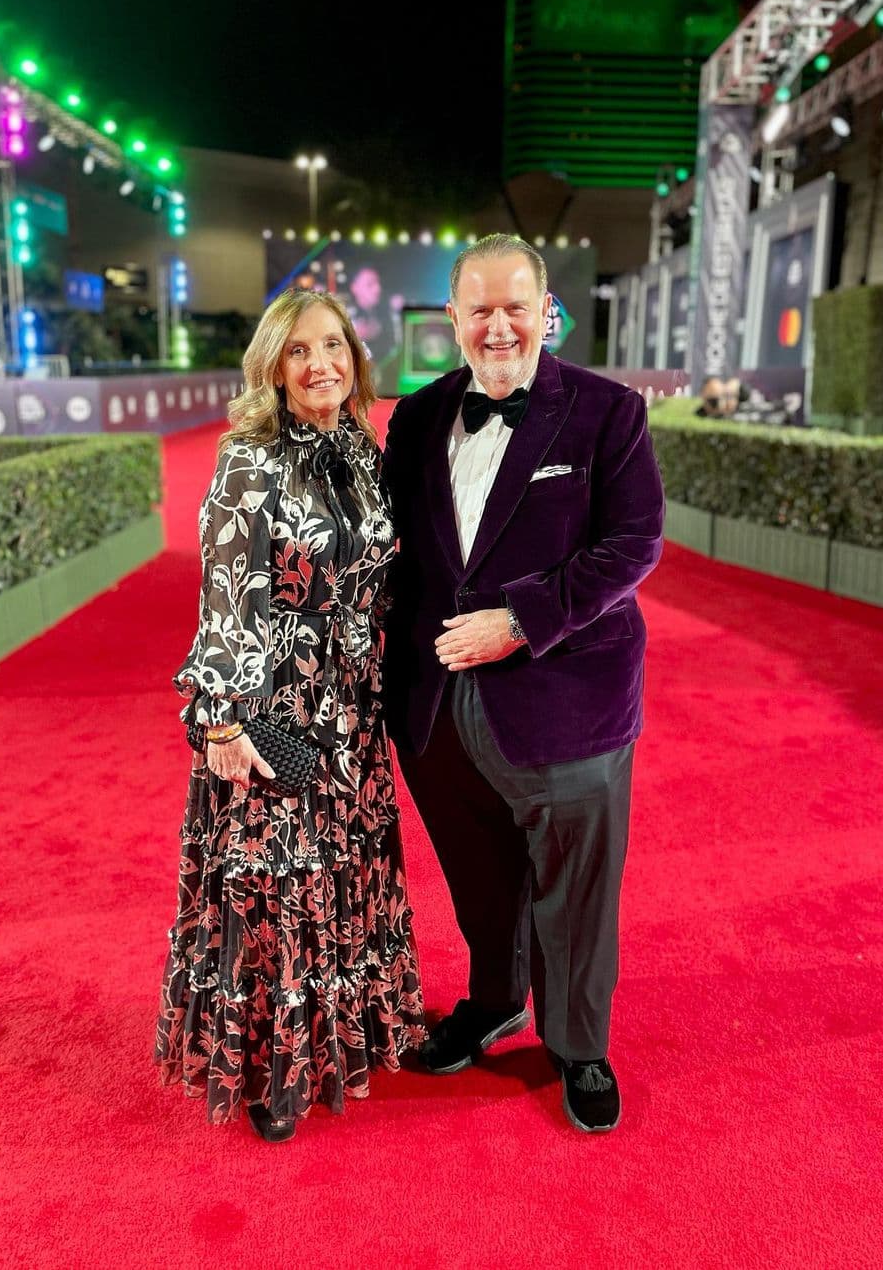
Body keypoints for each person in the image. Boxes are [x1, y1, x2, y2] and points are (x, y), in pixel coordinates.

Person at [381, 234, 665, 1134]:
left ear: (546, 311)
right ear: (453, 317)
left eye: (516, 307)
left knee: (575, 889)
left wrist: (522, 620)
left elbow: (633, 544)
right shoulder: (418, 416)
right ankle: (496, 1000)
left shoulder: (607, 412)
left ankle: (579, 1044)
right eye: (479, 308)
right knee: (478, 877)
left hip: (565, 698)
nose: (498, 326)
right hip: (436, 704)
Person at [155, 289, 424, 1143]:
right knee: (280, 888)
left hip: (352, 708)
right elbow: (227, 597)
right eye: (302, 350)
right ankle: (273, 1068)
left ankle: (346, 1038)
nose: (323, 365)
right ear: (273, 364)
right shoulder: (250, 460)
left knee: (342, 876)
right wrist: (224, 721)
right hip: (277, 709)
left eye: (335, 347)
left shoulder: (358, 448)